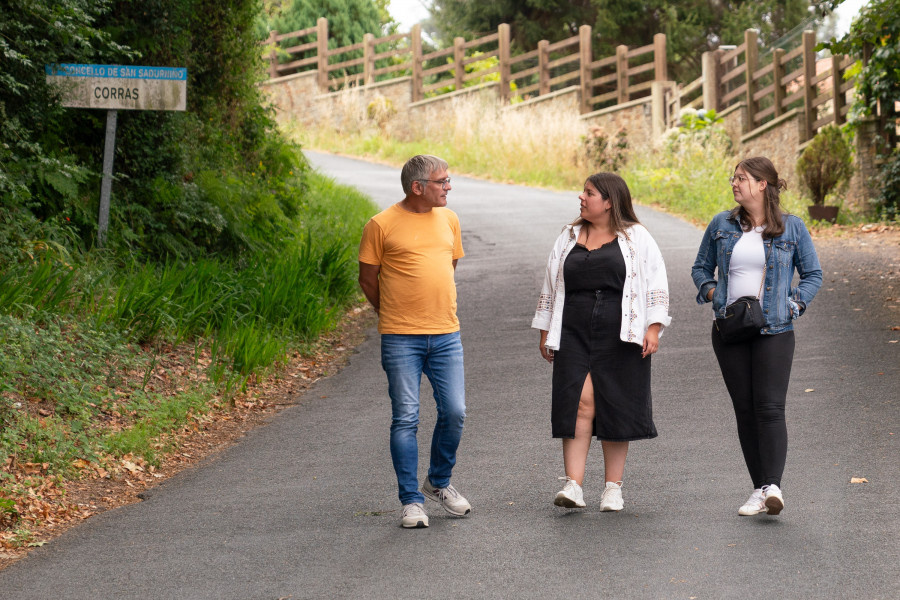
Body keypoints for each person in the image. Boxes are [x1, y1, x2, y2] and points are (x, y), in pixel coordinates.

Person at [532, 172, 671, 511]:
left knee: (615, 402)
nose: (581, 197)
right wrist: (545, 330)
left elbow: (656, 282)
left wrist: (653, 328)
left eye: (589, 193)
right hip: (572, 329)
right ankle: (573, 485)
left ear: (608, 202)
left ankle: (613, 488)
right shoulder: (567, 236)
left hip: (621, 330)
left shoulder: (636, 237)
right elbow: (551, 285)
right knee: (579, 401)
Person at [691, 157, 822, 517]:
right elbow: (701, 266)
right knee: (745, 410)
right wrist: (711, 292)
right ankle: (759, 489)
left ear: (763, 184)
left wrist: (794, 305)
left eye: (742, 178)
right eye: (734, 178)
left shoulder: (792, 228)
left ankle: (774, 486)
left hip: (775, 330)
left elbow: (813, 274)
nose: (735, 183)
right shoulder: (722, 224)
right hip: (730, 328)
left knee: (769, 407)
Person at [358, 154, 471, 529]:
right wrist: (390, 312)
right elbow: (368, 279)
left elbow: (447, 267)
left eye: (449, 180)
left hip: (446, 333)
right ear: (417, 187)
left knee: (454, 412)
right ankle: (411, 501)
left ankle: (438, 482)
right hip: (400, 337)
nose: (449, 187)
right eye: (443, 181)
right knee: (405, 418)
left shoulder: (450, 219)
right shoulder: (380, 225)